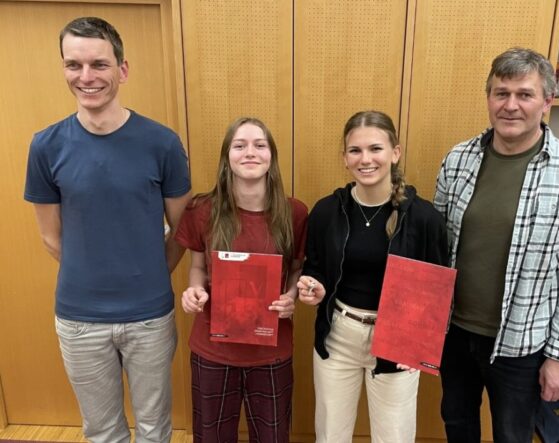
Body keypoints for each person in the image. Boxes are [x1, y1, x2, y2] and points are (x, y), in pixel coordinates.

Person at [23, 16, 191, 443]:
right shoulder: (45, 146)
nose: (86, 76)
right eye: (74, 65)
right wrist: (94, 276)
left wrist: (149, 275)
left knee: (154, 429)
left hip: (150, 317)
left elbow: (182, 230)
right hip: (80, 319)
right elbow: (51, 237)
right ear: (64, 69)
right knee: (102, 432)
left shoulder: (162, 143)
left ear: (122, 69)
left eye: (99, 64)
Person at [435, 47, 559, 442]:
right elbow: (435, 249)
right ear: (489, 97)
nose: (510, 105)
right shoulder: (458, 160)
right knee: (457, 426)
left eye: (524, 94)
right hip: (454, 333)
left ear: (547, 101)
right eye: (501, 93)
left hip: (522, 343)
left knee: (513, 436)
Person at [297, 110, 448, 443]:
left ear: (395, 153)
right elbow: (315, 267)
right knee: (330, 435)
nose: (365, 159)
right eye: (355, 150)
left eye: (375, 148)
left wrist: (419, 345)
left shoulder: (424, 218)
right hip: (338, 336)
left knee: (394, 437)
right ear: (345, 158)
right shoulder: (326, 211)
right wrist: (313, 285)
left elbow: (438, 290)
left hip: (398, 341)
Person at [176, 117, 308, 443]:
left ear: (271, 156)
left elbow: (296, 269)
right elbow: (197, 267)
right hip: (213, 350)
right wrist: (194, 290)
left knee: (272, 437)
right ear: (227, 156)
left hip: (271, 351)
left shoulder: (294, 212)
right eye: (240, 145)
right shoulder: (202, 210)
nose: (250, 152)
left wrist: (291, 296)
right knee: (212, 437)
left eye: (260, 145)